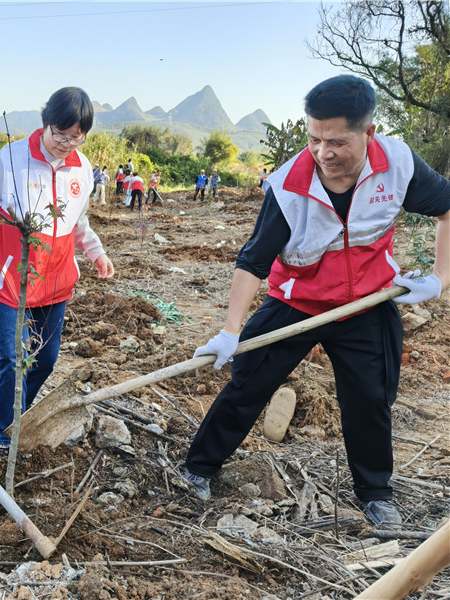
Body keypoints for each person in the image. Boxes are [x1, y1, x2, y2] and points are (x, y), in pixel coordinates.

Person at [183, 75, 450, 526]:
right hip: (297, 303)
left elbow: (447, 207)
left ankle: (375, 494)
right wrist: (230, 332)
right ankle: (199, 468)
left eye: (336, 141)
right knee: (247, 385)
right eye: (314, 139)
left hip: (365, 303)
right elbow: (252, 263)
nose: (323, 153)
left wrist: (441, 279)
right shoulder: (289, 185)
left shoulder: (399, 164)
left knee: (369, 400)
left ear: (368, 132)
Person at [0, 87, 115, 447]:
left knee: (46, 359)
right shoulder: (14, 156)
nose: (66, 144)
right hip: (14, 275)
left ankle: (22, 414)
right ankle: (6, 436)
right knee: (12, 357)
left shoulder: (81, 167)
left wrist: (96, 252)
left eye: (76, 137)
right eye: (60, 134)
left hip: (55, 277)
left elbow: (78, 221)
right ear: (45, 123)